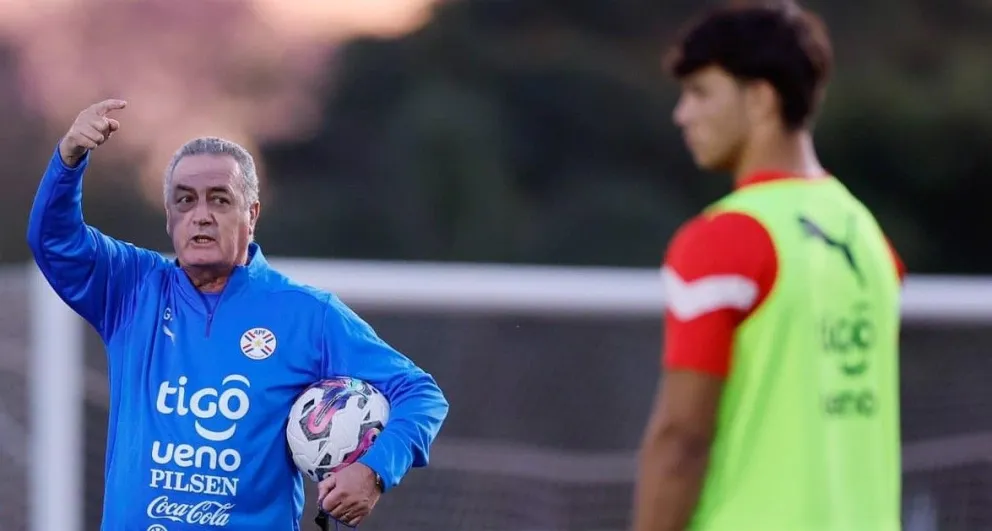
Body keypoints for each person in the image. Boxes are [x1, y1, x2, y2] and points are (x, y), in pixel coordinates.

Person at [26, 99, 450, 530]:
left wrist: (374, 469)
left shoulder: (307, 315)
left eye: (220, 200)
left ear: (252, 215)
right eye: (185, 201)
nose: (201, 216)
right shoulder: (132, 289)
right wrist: (69, 157)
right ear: (170, 217)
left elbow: (419, 393)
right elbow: (52, 240)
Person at [631, 3, 905, 531]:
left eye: (700, 92)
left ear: (759, 98)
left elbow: (681, 440)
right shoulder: (869, 236)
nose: (681, 114)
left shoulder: (724, 239)